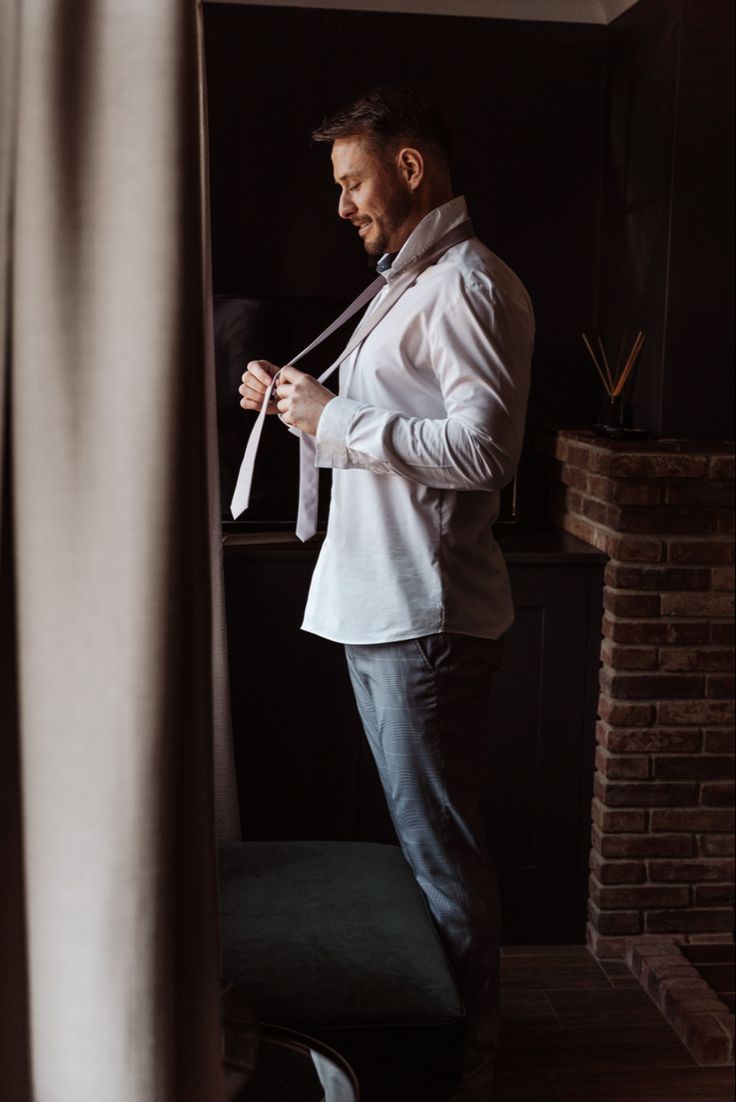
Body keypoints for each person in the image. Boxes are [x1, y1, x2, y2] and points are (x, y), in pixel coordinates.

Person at [238, 86, 534, 1102]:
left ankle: (468, 1066)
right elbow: (376, 428)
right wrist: (303, 408)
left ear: (408, 169)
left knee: (441, 856)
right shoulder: (407, 285)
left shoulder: (466, 287)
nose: (341, 205)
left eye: (352, 181)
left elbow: (484, 451)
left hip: (426, 618)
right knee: (425, 851)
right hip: (389, 610)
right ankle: (446, 1045)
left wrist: (338, 418)